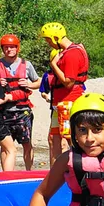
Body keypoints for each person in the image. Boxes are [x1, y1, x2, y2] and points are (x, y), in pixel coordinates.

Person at [40, 22, 89, 158]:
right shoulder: (67, 52)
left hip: (69, 101)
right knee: (53, 139)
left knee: (70, 138)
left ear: (55, 37)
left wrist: (54, 65)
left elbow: (68, 82)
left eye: (48, 40)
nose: (48, 43)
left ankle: (77, 168)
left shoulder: (72, 54)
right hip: (60, 103)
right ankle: (55, 174)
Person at [0, 34, 41, 170]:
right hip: (4, 111)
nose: (9, 50)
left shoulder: (26, 65)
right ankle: (6, 175)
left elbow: (38, 82)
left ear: (17, 48)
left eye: (12, 47)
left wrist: (28, 84)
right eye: (6, 47)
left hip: (23, 111)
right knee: (6, 146)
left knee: (27, 143)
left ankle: (29, 171)